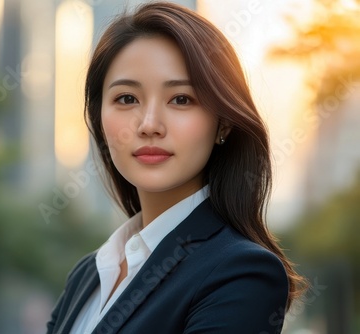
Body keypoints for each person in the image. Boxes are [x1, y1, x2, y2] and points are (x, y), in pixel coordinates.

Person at [47, 2, 307, 333]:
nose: (149, 125)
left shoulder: (242, 272)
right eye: (127, 98)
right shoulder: (88, 275)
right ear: (99, 118)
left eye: (181, 99)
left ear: (224, 123)